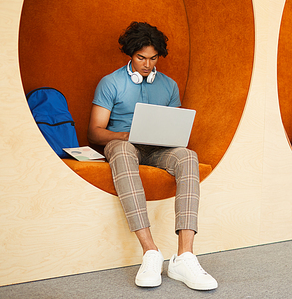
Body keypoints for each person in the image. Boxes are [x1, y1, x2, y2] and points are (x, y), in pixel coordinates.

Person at [87, 22, 217, 290]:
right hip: (123, 144)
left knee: (188, 156)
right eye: (141, 58)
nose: (147, 65)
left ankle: (185, 256)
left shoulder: (169, 86)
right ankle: (150, 251)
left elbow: (175, 127)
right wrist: (126, 135)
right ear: (130, 55)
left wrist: (170, 139)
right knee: (123, 150)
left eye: (153, 58)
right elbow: (95, 133)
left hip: (159, 149)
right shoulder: (111, 82)